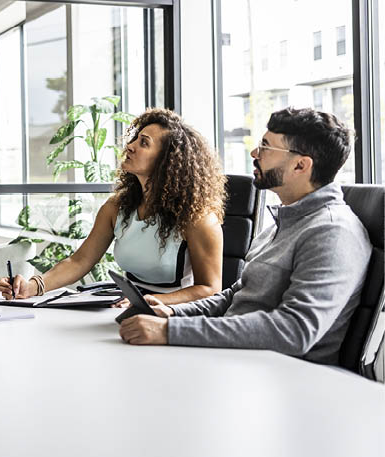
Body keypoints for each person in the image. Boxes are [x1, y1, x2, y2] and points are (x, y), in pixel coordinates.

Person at [119, 108, 371, 366]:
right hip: (238, 360)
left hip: (281, 375)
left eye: (266, 147)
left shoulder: (332, 232)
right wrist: (172, 313)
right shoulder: (283, 223)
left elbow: (294, 331)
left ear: (300, 165)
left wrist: (170, 332)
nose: (255, 153)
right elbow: (236, 295)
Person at [0, 108, 227, 305]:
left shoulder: (198, 219)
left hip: (173, 314)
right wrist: (33, 286)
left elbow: (209, 288)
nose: (130, 146)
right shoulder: (117, 207)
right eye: (135, 138)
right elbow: (80, 261)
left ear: (167, 161)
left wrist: (153, 301)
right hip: (124, 307)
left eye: (143, 143)